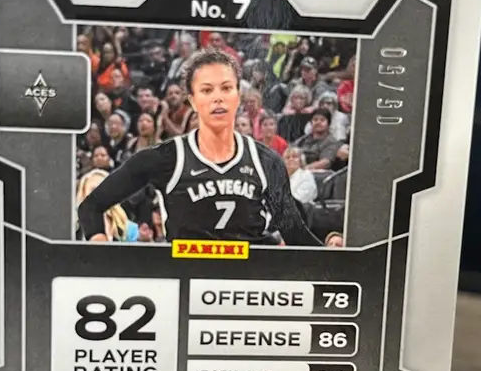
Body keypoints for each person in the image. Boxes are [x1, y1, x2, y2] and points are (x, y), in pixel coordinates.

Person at [78, 48, 321, 246]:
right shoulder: (166, 158)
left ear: (238, 96)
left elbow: (295, 235)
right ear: (193, 101)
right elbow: (91, 206)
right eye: (207, 90)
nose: (218, 97)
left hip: (247, 281)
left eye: (226, 88)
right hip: (186, 279)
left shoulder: (266, 161)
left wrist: (334, 263)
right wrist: (99, 245)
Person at [75, 169, 136, 241]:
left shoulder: (129, 228)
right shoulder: (74, 227)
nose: (98, 195)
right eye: (93, 190)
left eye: (102, 190)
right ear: (83, 194)